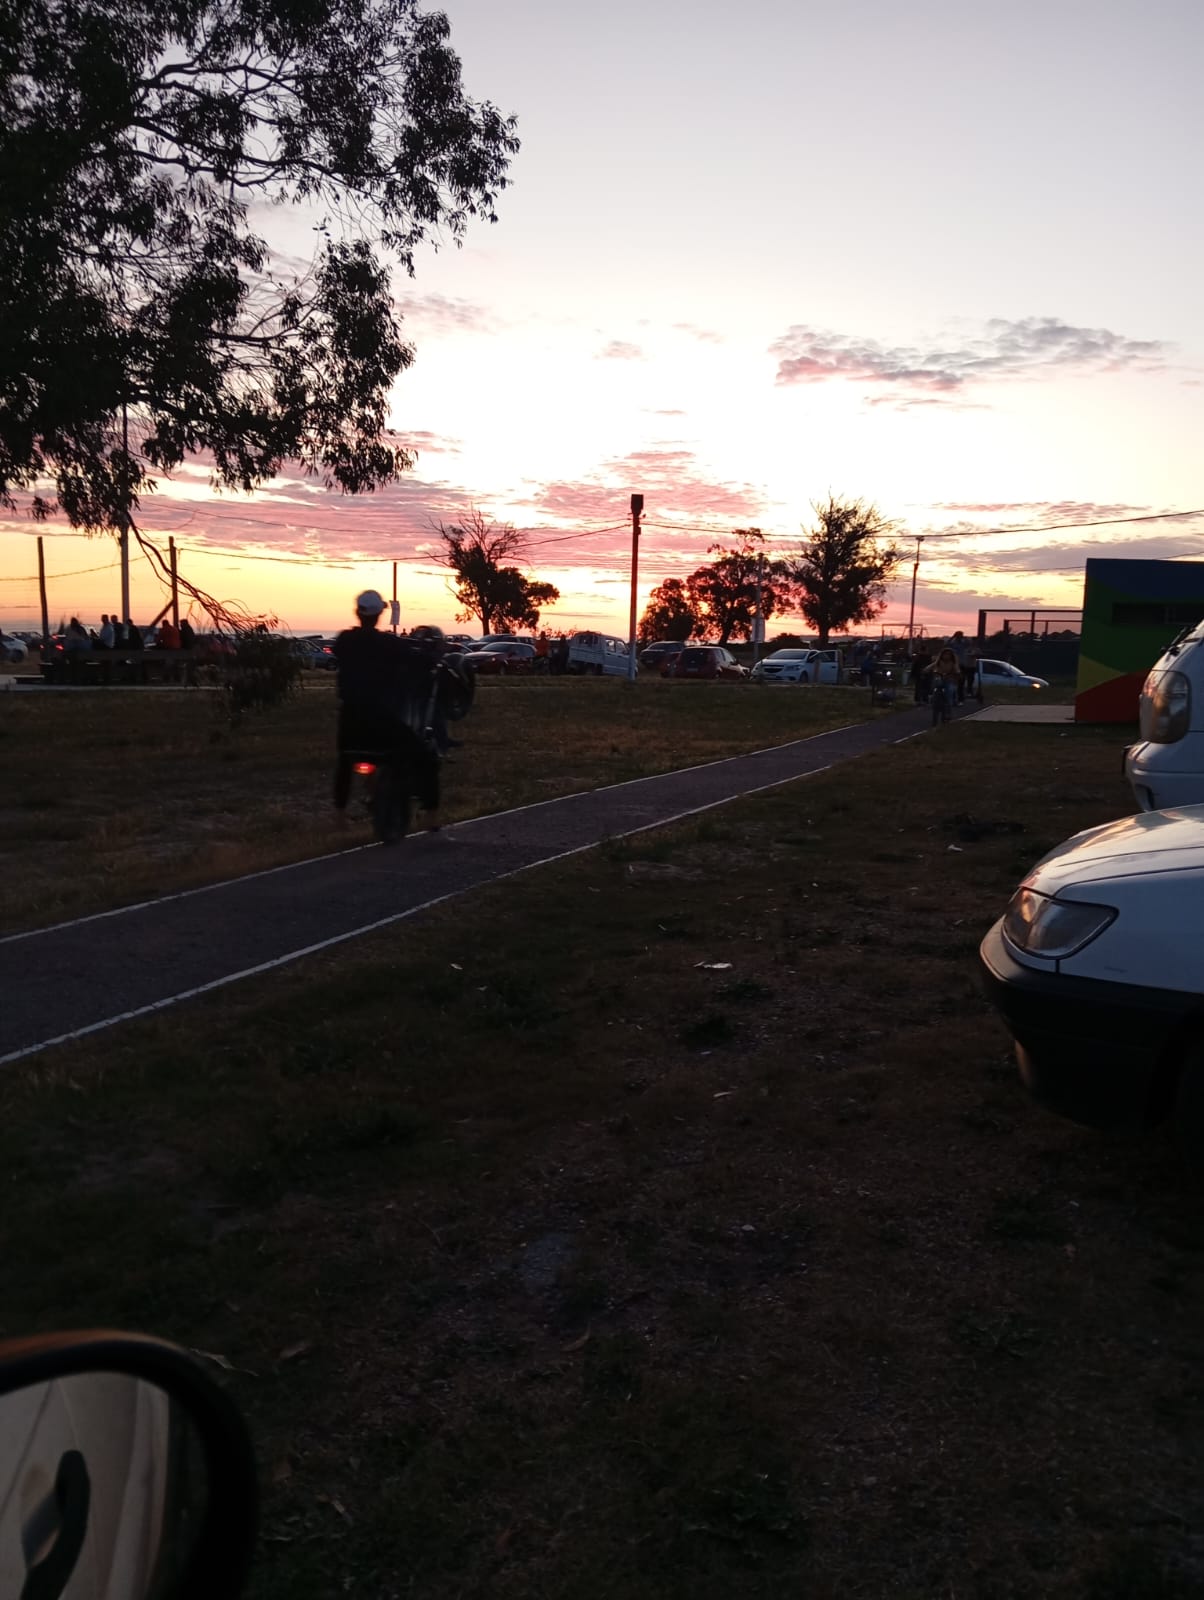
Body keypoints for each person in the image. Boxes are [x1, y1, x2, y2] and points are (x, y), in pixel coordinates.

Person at [332, 590, 441, 830]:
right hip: (382, 721)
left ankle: (339, 815)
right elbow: (417, 661)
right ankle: (431, 814)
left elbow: (341, 654)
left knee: (345, 760)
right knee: (425, 757)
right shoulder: (389, 644)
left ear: (357, 612)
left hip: (350, 719)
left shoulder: (344, 641)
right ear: (379, 614)